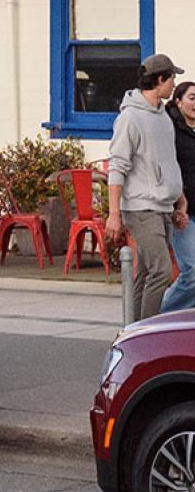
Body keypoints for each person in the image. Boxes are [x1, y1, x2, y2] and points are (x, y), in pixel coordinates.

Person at [105, 53, 186, 321]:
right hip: (141, 207)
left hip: (161, 206)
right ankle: (148, 333)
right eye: (172, 77)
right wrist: (113, 214)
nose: (174, 82)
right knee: (161, 271)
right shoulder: (130, 118)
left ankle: (133, 328)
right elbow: (117, 166)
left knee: (145, 273)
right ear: (159, 79)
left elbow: (167, 161)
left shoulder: (162, 117)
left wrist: (179, 198)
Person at [161, 81, 195, 312]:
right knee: (192, 272)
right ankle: (161, 314)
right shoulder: (169, 129)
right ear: (178, 101)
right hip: (183, 212)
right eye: (192, 97)